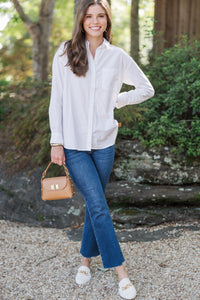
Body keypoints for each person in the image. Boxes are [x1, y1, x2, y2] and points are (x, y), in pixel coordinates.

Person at [49, 0, 154, 299]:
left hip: (105, 143)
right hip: (73, 145)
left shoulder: (117, 57)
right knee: (98, 206)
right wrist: (56, 141)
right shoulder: (64, 52)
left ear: (107, 20)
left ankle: (84, 261)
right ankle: (121, 272)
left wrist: (115, 102)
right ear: (81, 20)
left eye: (101, 16)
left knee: (96, 207)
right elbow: (56, 100)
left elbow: (147, 89)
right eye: (89, 16)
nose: (95, 21)